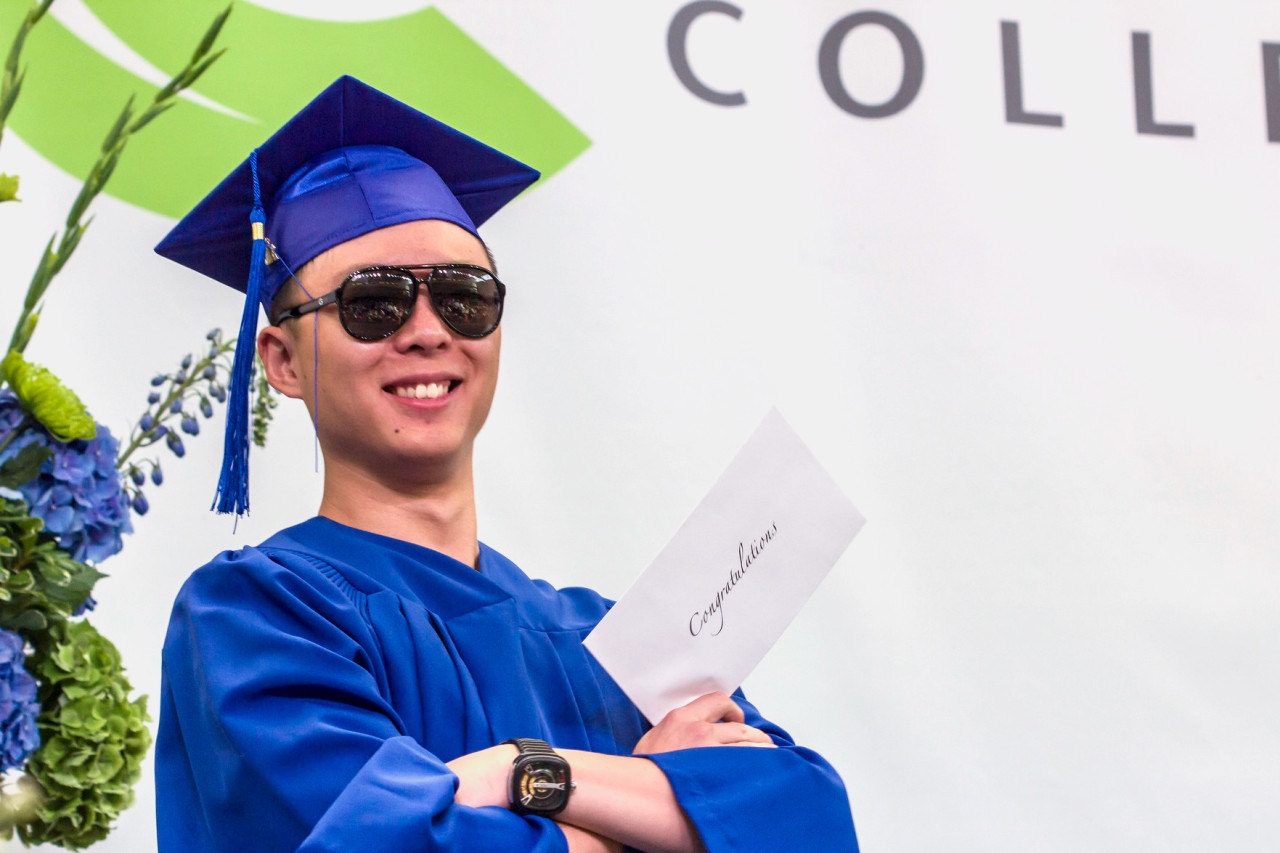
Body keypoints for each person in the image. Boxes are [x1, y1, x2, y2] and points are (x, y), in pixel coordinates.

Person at [154, 76, 859, 853]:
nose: (427, 331)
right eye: (373, 302)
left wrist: (523, 771)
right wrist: (653, 809)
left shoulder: (608, 639)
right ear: (282, 360)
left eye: (465, 297)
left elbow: (806, 820)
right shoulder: (259, 613)